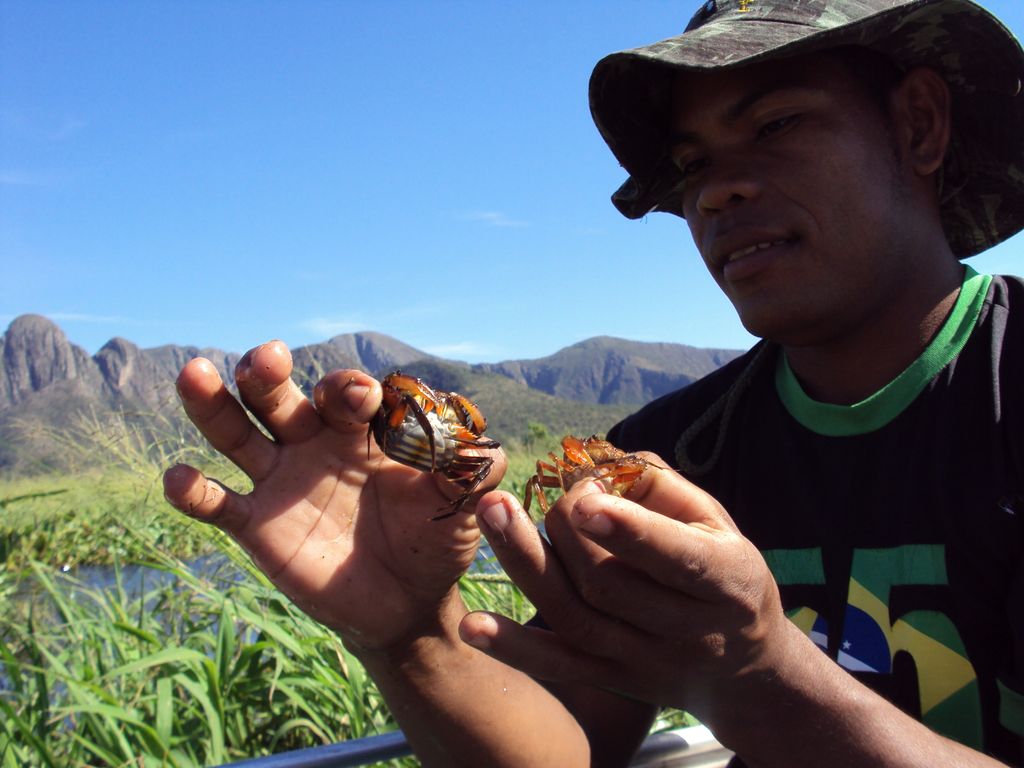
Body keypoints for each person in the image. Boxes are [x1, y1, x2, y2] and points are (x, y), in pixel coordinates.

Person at [163, 0, 1024, 765]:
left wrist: (766, 679)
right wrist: (409, 639)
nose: (717, 191)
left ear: (919, 125)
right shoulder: (667, 461)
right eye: (691, 166)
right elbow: (564, 748)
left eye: (777, 125)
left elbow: (760, 685)